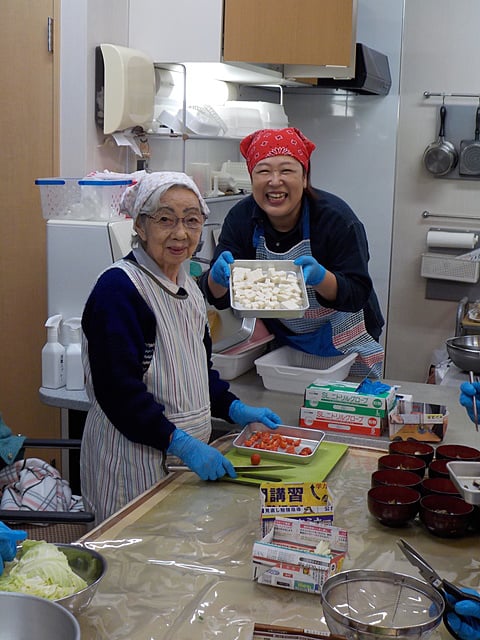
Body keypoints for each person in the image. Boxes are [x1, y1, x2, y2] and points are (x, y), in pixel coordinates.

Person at [80, 171, 282, 524]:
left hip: (180, 460)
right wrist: (180, 442)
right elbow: (118, 393)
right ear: (140, 226)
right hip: (133, 463)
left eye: (191, 221)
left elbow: (195, 369)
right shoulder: (119, 291)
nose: (180, 233)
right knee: (131, 567)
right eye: (165, 219)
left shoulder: (188, 288)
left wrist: (232, 407)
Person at [198, 127, 385, 379]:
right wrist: (217, 279)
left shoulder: (336, 220)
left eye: (286, 170)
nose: (275, 181)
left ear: (305, 177)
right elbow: (217, 296)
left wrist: (321, 278)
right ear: (252, 178)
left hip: (347, 344)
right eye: (263, 171)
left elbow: (357, 292)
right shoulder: (241, 219)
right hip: (287, 343)